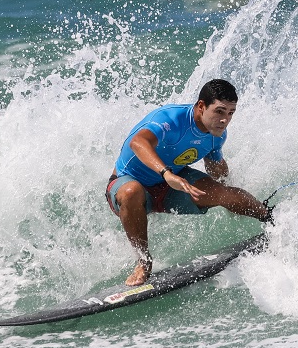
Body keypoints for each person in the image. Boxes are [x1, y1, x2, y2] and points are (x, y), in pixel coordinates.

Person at [107, 79, 273, 286]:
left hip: (172, 186)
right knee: (132, 191)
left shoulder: (216, 135)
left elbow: (216, 167)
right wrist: (166, 174)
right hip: (130, 182)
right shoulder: (172, 119)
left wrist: (228, 196)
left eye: (231, 113)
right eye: (220, 111)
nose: (225, 120)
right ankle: (143, 262)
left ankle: (274, 222)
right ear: (201, 106)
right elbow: (138, 142)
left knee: (226, 193)